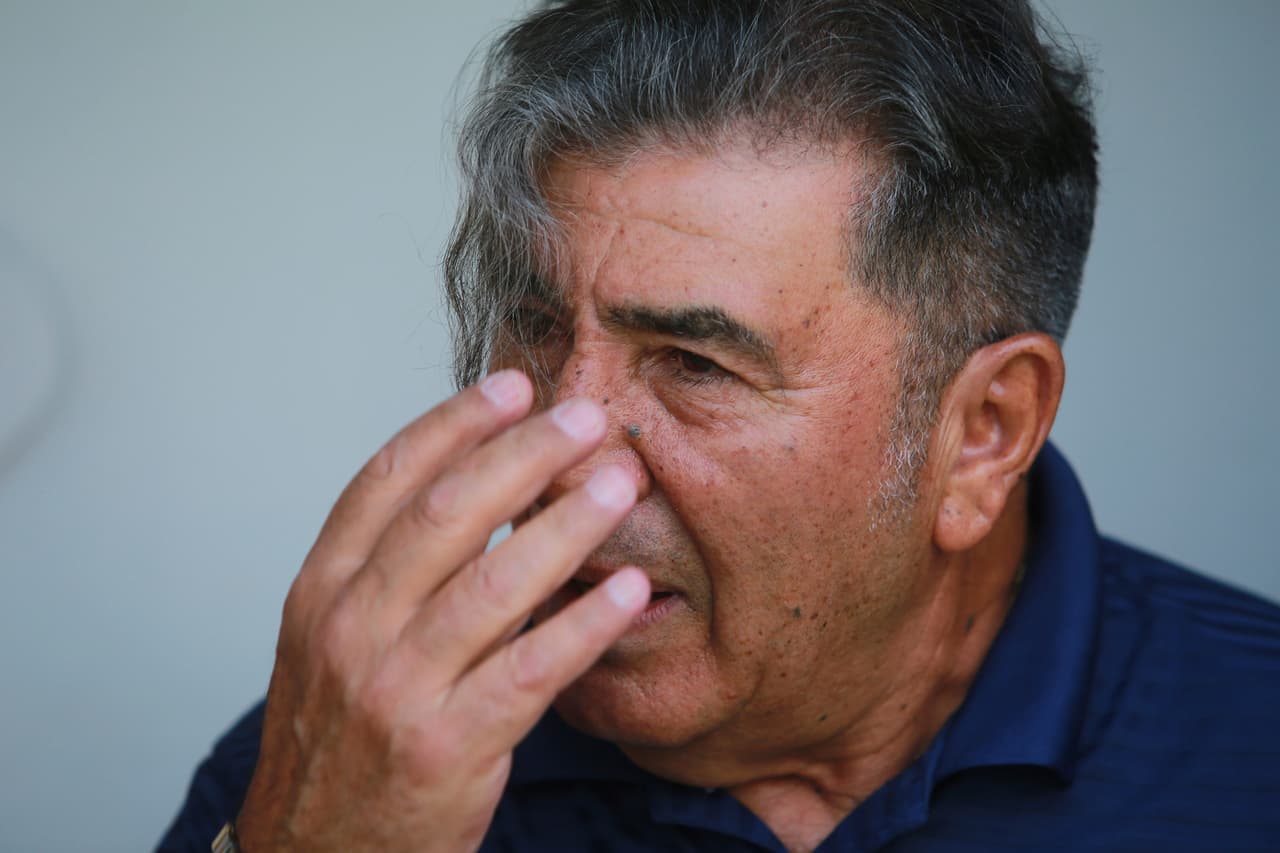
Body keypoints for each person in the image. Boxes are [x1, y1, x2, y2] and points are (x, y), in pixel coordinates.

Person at [158, 1, 1280, 851]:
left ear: (983, 431)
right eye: (538, 332)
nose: (563, 446)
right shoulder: (340, 762)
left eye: (693, 362)